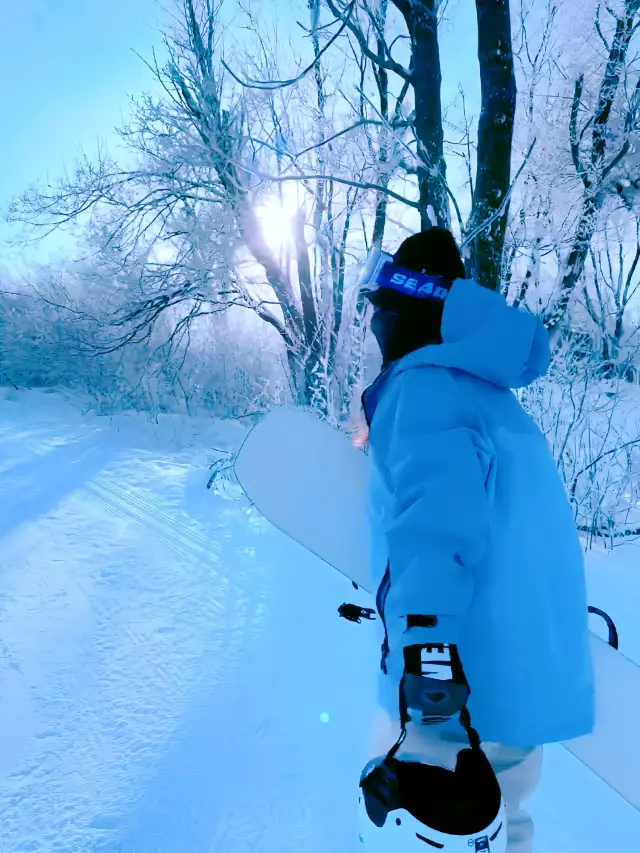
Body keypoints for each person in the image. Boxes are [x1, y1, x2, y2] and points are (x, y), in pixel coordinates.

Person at [356, 228, 595, 853]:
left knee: (413, 831)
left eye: (380, 308)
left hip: (457, 698)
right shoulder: (497, 403)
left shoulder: (422, 387)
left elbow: (434, 537)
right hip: (520, 687)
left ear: (406, 310)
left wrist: (430, 700)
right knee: (505, 832)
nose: (374, 323)